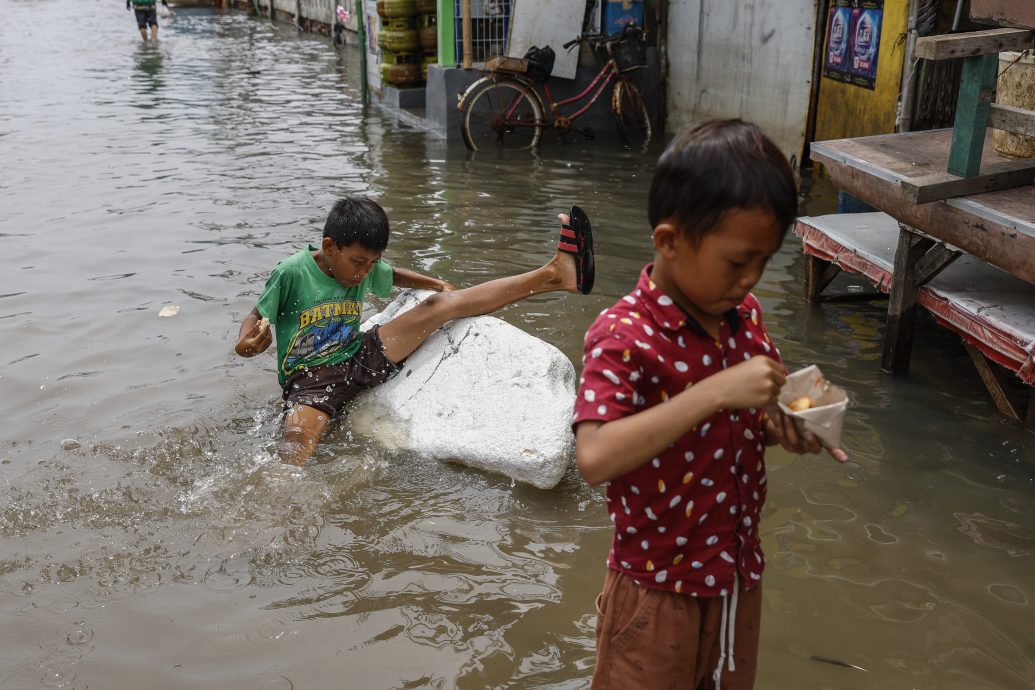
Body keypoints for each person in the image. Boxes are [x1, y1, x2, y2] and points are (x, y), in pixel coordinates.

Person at [572, 119, 848, 690]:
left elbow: (752, 416)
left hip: (736, 579)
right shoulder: (623, 335)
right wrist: (715, 391)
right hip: (655, 588)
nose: (750, 280)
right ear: (669, 241)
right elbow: (595, 457)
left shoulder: (745, 321)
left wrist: (788, 427)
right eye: (736, 262)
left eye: (763, 262)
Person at [236, 196, 595, 466]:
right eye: (358, 262)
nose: (363, 273)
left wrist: (435, 283)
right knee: (297, 446)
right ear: (329, 247)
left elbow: (393, 275)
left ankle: (555, 275)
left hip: (360, 354)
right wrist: (246, 345)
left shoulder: (365, 266)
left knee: (438, 308)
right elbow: (255, 316)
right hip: (312, 380)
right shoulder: (292, 273)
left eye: (371, 263)